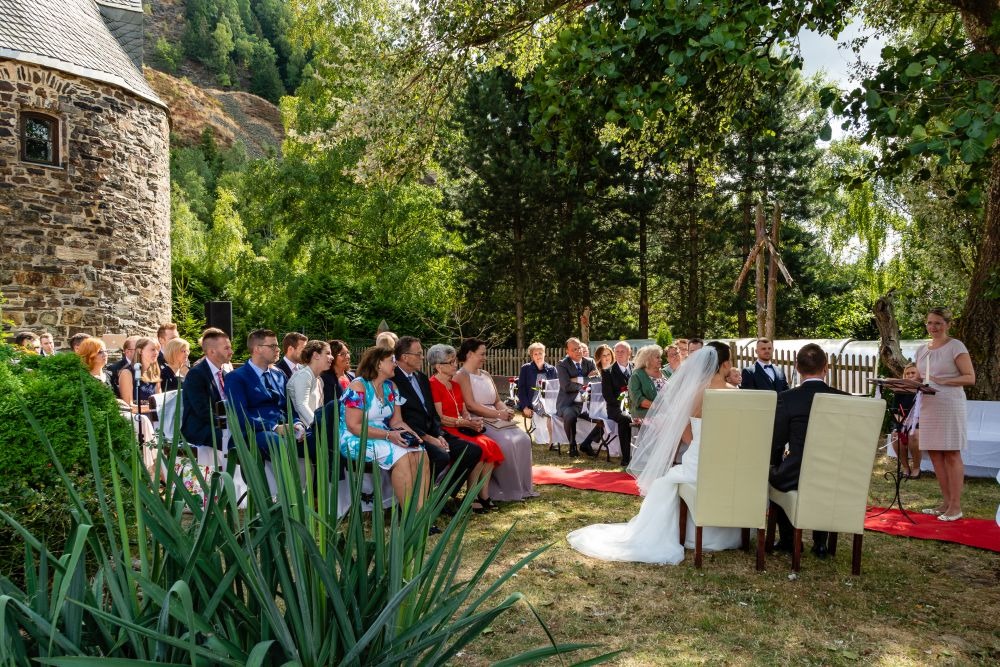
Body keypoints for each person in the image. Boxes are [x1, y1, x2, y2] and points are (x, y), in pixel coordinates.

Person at [567, 342, 741, 563]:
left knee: (666, 485)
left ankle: (684, 532)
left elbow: (682, 426)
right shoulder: (736, 394)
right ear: (726, 364)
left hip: (700, 459)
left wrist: (698, 445)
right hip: (729, 462)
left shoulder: (696, 393)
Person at [769, 343, 848, 557]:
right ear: (826, 367)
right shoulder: (845, 399)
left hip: (796, 473)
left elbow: (777, 440)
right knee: (823, 483)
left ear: (796, 367)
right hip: (835, 474)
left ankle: (787, 540)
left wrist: (777, 462)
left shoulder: (787, 398)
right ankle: (820, 543)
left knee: (774, 477)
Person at [396, 339, 489, 507]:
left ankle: (441, 497)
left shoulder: (420, 378)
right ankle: (420, 502)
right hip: (412, 433)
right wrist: (428, 437)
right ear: (404, 357)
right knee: (441, 456)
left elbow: (432, 413)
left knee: (473, 450)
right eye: (418, 354)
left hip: (433, 431)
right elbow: (401, 419)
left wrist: (438, 434)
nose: (422, 358)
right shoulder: (393, 380)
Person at [338, 346, 429, 507]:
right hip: (356, 438)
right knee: (402, 455)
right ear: (378, 364)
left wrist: (412, 435)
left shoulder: (391, 387)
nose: (395, 364)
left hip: (385, 435)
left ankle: (420, 512)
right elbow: (354, 426)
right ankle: (409, 514)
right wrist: (388, 436)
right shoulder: (358, 386)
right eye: (391, 360)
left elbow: (396, 422)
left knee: (421, 453)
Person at [455, 338, 537, 501]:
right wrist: (497, 415)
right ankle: (503, 489)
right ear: (470, 354)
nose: (485, 357)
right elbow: (470, 405)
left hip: (496, 417)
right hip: (478, 419)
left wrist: (505, 410)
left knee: (523, 439)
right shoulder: (461, 376)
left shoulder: (485, 374)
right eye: (482, 354)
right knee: (506, 443)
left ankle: (522, 487)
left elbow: (497, 400)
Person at [914, 308, 975, 522]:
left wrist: (944, 382)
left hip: (950, 403)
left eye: (938, 323)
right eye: (930, 323)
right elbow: (920, 378)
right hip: (929, 405)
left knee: (951, 453)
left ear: (947, 324)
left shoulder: (956, 346)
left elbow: (970, 378)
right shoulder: (921, 349)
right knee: (936, 455)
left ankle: (956, 506)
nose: (933, 327)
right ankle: (946, 503)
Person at [225, 329, 305, 459]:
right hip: (255, 433)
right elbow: (240, 415)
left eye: (277, 345)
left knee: (318, 439)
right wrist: (274, 427)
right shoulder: (236, 378)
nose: (278, 349)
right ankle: (286, 480)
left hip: (285, 430)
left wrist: (297, 424)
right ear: (257, 349)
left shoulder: (279, 374)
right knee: (278, 443)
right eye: (273, 346)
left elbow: (289, 408)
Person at [181, 328, 232, 450]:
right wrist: (229, 425)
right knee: (240, 439)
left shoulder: (225, 373)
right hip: (200, 429)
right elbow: (203, 411)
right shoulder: (196, 375)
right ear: (212, 351)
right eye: (226, 348)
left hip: (221, 424)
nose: (231, 351)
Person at [555, 337, 602, 457]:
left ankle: (586, 444)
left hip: (588, 403)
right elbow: (566, 386)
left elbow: (597, 379)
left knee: (605, 419)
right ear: (568, 352)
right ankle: (572, 444)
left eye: (579, 348)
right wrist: (586, 381)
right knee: (570, 415)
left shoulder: (589, 362)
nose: (578, 351)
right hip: (569, 403)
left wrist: (578, 379)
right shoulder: (562, 364)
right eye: (574, 349)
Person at [602, 341, 635, 467]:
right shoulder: (607, 372)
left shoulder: (636, 368)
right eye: (617, 351)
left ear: (629, 353)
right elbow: (608, 396)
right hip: (615, 408)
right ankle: (626, 458)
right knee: (625, 419)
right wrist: (625, 406)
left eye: (623, 351)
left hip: (635, 406)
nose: (619, 354)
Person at [287, 340, 333, 428]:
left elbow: (319, 409)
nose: (332, 357)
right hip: (302, 431)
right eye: (328, 353)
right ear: (316, 355)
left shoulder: (319, 380)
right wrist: (318, 428)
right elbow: (301, 405)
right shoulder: (304, 375)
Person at [891, 364, 923, 479]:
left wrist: (912, 424)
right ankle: (905, 467)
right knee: (895, 435)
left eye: (913, 373)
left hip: (921, 423)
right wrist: (902, 423)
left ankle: (916, 468)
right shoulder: (900, 390)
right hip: (903, 422)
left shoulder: (925, 389)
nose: (910, 375)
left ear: (920, 374)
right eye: (907, 373)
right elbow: (895, 410)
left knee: (914, 434)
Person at [117, 336, 160, 413]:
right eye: (152, 349)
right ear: (140, 351)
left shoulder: (155, 373)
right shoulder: (127, 373)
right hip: (137, 420)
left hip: (155, 419)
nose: (156, 352)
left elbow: (160, 400)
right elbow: (128, 407)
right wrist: (154, 407)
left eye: (157, 350)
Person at [516, 342, 557, 419]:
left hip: (548, 402)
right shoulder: (526, 368)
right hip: (532, 402)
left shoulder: (552, 369)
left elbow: (556, 389)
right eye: (535, 354)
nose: (538, 356)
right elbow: (522, 389)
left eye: (540, 353)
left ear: (544, 354)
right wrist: (525, 407)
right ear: (532, 356)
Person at [628, 344, 663, 420]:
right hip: (647, 415)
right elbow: (637, 399)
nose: (661, 359)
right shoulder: (637, 375)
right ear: (648, 360)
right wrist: (658, 407)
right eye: (657, 357)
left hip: (667, 412)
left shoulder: (665, 373)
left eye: (660, 357)